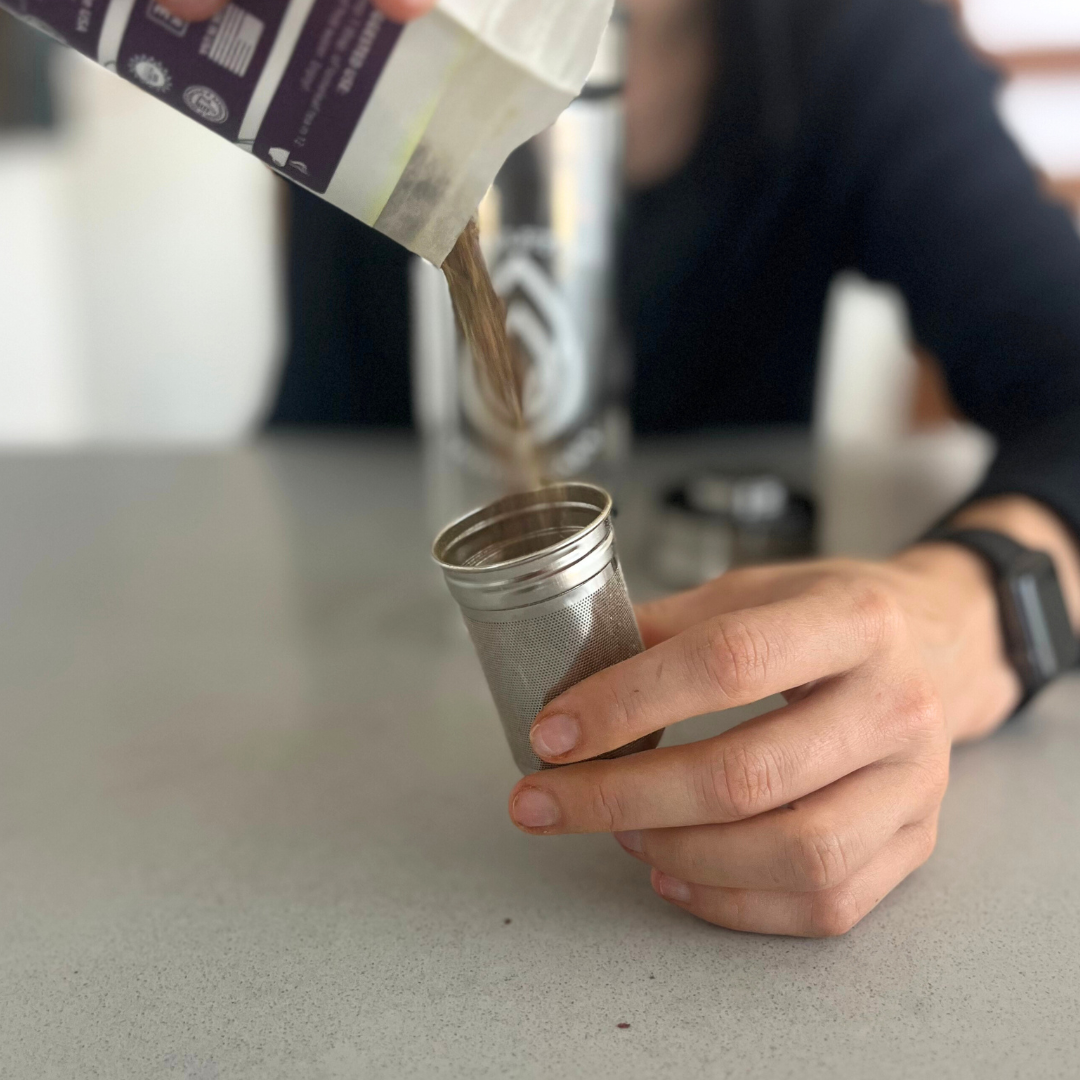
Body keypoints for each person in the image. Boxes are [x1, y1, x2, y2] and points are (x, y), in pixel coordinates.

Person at [168, 0, 1080, 937]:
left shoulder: (852, 35)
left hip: (707, 681)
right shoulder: (359, 37)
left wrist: (974, 608)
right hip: (326, 720)